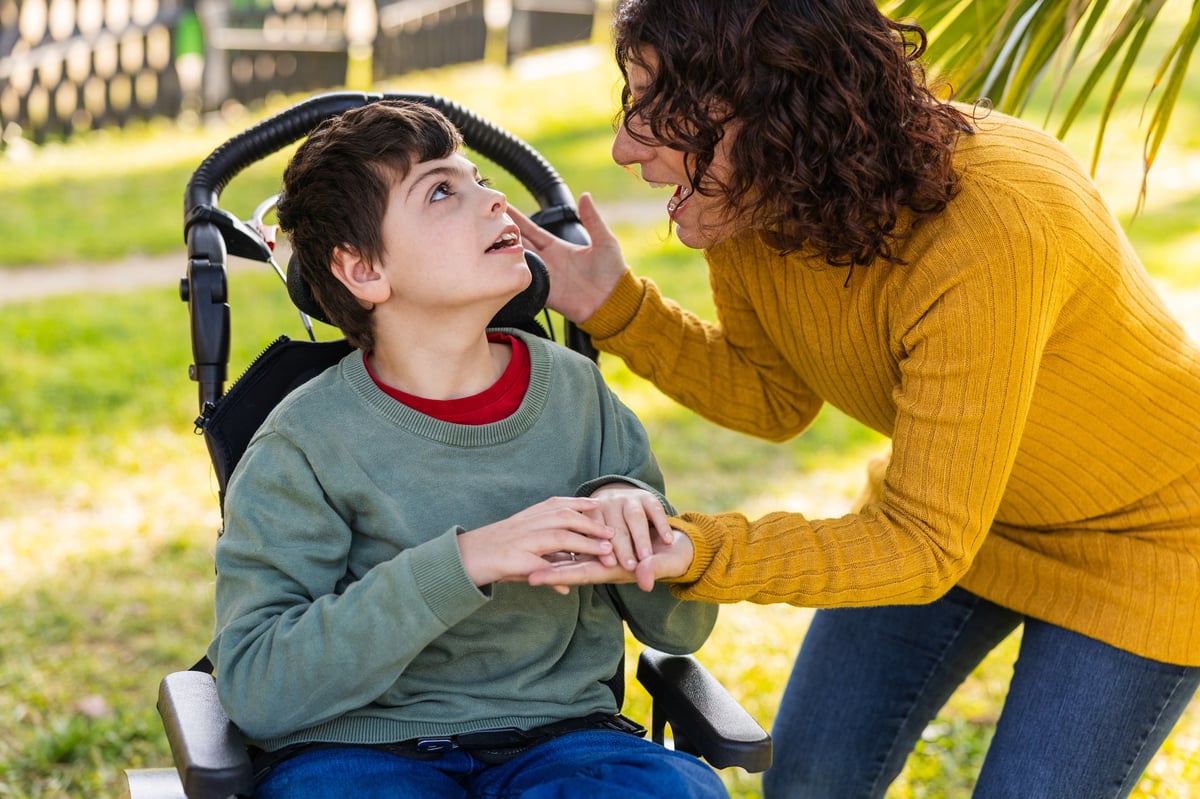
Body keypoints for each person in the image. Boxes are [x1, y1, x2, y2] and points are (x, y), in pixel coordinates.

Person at [514, 1, 1200, 797]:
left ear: (780, 115)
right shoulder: (757, 201)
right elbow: (774, 398)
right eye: (632, 101)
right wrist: (618, 308)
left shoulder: (992, 225)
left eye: (664, 114)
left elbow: (920, 544)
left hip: (1146, 536)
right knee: (810, 777)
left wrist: (701, 548)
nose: (624, 147)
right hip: (960, 509)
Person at [206, 100, 725, 799]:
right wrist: (465, 562)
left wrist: (642, 526)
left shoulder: (579, 398)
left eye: (479, 179)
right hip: (358, 753)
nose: (494, 201)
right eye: (443, 191)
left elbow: (684, 628)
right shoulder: (303, 442)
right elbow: (257, 683)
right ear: (361, 269)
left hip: (565, 741)